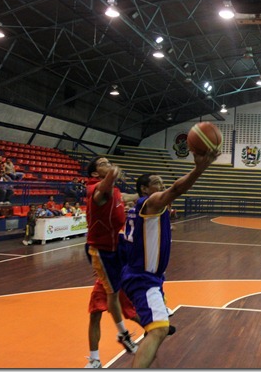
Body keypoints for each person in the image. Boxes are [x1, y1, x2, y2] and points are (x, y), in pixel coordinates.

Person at [121, 148, 218, 368]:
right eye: (157, 182)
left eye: (162, 182)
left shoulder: (145, 206)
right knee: (160, 329)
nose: (162, 185)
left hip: (145, 275)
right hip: (143, 278)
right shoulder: (151, 202)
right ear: (145, 189)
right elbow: (176, 189)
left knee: (155, 330)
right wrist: (199, 168)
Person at [85, 156, 138, 355]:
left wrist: (151, 194)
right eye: (102, 163)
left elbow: (125, 196)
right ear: (94, 173)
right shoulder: (95, 190)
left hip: (117, 249)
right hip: (102, 251)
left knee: (122, 290)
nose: (108, 165)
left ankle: (155, 317)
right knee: (113, 296)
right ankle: (123, 335)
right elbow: (103, 188)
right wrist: (113, 172)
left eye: (109, 162)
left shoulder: (115, 192)